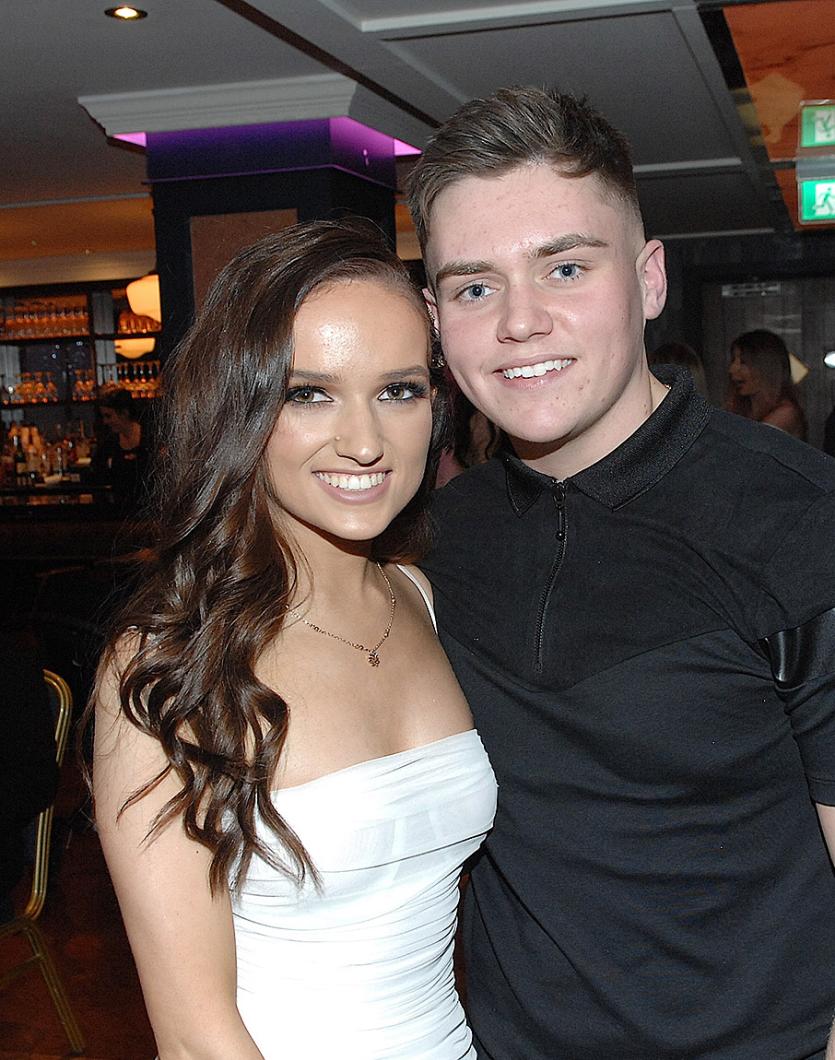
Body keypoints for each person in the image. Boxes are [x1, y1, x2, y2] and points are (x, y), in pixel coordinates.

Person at [406, 85, 835, 1059]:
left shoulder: (800, 519)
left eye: (563, 268)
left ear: (647, 280)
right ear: (435, 317)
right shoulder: (433, 537)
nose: (519, 321)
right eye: (474, 288)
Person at [90, 220, 496, 1059]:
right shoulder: (171, 662)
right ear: (240, 409)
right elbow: (196, 1037)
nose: (364, 441)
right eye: (309, 394)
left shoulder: (419, 597)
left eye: (398, 390)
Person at [727, 328, 807, 440]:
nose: (732, 369)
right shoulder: (742, 408)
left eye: (743, 362)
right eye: (733, 360)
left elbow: (751, 444)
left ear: (766, 368)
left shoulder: (786, 414)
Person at [93, 386, 150, 510]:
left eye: (108, 416)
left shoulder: (150, 438)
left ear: (124, 413)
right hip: (119, 511)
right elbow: (97, 473)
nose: (105, 421)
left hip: (149, 510)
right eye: (103, 416)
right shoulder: (109, 443)